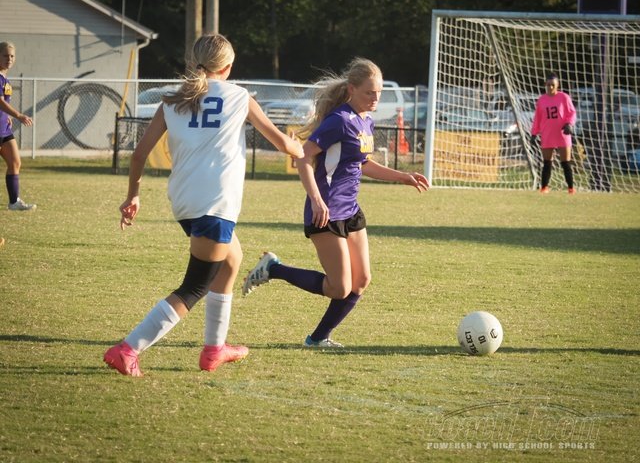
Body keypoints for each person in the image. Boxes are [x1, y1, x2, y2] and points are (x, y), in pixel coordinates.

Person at [103, 34, 304, 377]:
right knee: (194, 286)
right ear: (228, 67)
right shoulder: (239, 96)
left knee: (232, 260)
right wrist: (299, 148)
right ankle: (128, 349)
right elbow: (283, 144)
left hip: (185, 202)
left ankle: (215, 349)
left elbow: (138, 154)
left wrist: (133, 195)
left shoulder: (173, 100)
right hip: (215, 203)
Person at [242, 58, 429, 347]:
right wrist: (316, 199)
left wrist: (402, 176)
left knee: (361, 280)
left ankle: (318, 339)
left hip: (350, 210)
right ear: (352, 89)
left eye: (379, 93)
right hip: (326, 212)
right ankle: (273, 269)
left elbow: (362, 163)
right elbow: (303, 157)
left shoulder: (366, 120)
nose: (375, 98)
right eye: (369, 92)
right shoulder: (339, 120)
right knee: (339, 287)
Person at [0, 41, 36, 211]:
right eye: (5, 55)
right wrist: (18, 115)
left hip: (4, 130)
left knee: (15, 162)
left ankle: (14, 202)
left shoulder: (4, 78)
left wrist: (7, 116)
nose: (9, 59)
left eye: (12, 56)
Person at [530, 72, 577, 194]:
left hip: (562, 134)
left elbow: (572, 112)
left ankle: (571, 188)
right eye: (548, 85)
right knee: (547, 162)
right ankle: (544, 187)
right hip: (547, 134)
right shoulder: (541, 100)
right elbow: (537, 118)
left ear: (557, 85)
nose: (550, 87)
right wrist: (534, 133)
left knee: (565, 162)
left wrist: (569, 124)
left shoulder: (564, 97)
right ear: (545, 84)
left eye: (553, 85)